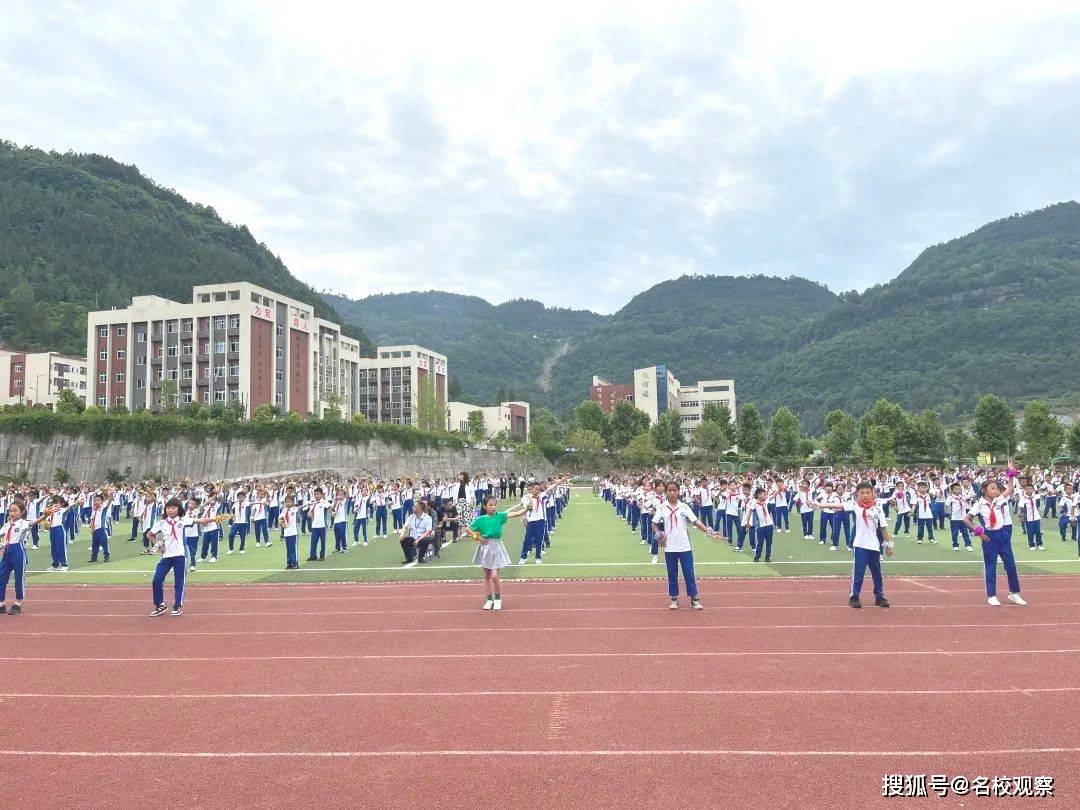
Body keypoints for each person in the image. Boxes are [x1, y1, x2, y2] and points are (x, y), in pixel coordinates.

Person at [963, 463, 1026, 607]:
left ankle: (1014, 593)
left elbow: (1010, 488)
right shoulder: (979, 504)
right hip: (989, 537)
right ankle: (991, 595)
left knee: (1010, 565)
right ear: (984, 490)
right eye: (992, 488)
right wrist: (978, 530)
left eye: (997, 488)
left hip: (1003, 535)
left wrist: (1010, 474)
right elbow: (966, 519)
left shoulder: (999, 500)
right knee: (991, 566)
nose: (996, 491)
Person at [144, 497, 219, 616]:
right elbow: (149, 534)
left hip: (180, 556)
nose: (170, 510)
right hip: (166, 556)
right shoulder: (162, 523)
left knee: (179, 582)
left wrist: (215, 519)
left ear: (179, 509)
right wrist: (158, 545)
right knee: (156, 580)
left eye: (173, 508)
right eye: (168, 508)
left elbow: (199, 520)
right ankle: (160, 604)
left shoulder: (183, 521)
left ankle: (177, 605)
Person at [652, 481, 719, 609]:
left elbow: (696, 521)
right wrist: (658, 534)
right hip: (669, 546)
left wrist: (709, 531)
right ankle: (674, 598)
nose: (672, 493)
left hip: (684, 545)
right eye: (670, 490)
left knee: (689, 572)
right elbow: (654, 523)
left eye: (675, 490)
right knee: (672, 573)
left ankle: (694, 598)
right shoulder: (662, 507)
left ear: (678, 491)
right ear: (666, 492)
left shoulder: (684, 507)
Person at [466, 495, 528, 610]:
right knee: (487, 575)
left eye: (495, 504)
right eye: (490, 505)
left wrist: (526, 508)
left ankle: (498, 599)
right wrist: (477, 537)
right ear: (485, 506)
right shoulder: (481, 519)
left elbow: (516, 514)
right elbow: (468, 529)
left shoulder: (500, 516)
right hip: (485, 547)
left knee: (495, 576)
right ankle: (489, 600)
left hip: (497, 546)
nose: (493, 507)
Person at [841, 482, 892, 608]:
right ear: (857, 494)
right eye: (862, 493)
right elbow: (838, 505)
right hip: (860, 545)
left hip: (874, 546)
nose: (865, 495)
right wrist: (819, 505)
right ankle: (854, 596)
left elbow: (883, 528)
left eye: (868, 492)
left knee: (877, 573)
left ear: (873, 493)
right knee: (858, 572)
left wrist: (888, 545)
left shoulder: (878, 508)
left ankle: (879, 596)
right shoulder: (855, 505)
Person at [0, 500, 32, 615]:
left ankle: (17, 604)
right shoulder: (7, 524)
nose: (12, 513)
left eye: (15, 510)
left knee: (19, 578)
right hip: (7, 552)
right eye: (10, 511)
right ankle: (1, 604)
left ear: (22, 512)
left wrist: (45, 515)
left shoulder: (23, 523)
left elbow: (34, 523)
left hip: (18, 552)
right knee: (1, 577)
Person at [399, 501, 435, 565]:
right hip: (412, 538)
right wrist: (402, 534)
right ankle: (409, 558)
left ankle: (421, 558)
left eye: (414, 507)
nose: (412, 508)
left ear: (419, 509)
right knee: (403, 540)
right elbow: (405, 526)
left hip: (422, 538)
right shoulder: (411, 517)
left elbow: (428, 531)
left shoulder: (428, 518)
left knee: (425, 540)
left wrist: (418, 539)